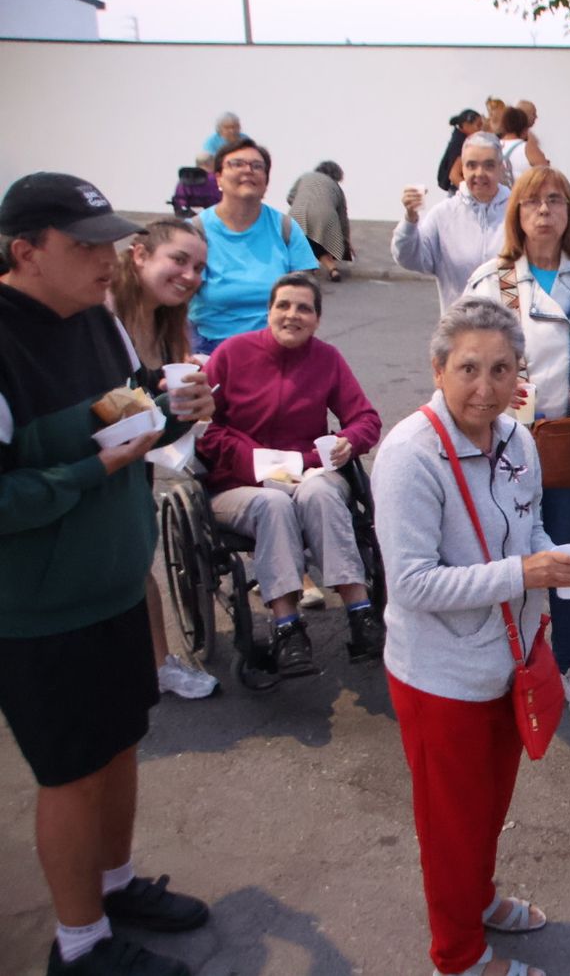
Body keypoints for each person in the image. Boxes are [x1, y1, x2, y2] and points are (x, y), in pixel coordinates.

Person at [0, 172, 215, 976]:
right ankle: (79, 943)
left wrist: (169, 398)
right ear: (27, 252)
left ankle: (116, 885)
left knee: (121, 742)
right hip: (40, 610)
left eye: (110, 239)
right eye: (85, 245)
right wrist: (92, 471)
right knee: (71, 773)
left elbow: (128, 404)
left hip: (116, 586)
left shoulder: (100, 319)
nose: (108, 257)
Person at [374, 297, 570, 976]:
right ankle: (459, 955)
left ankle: (479, 896)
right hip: (439, 677)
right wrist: (523, 572)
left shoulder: (517, 438)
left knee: (488, 805)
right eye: (468, 368)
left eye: (501, 369)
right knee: (450, 826)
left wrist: (556, 557)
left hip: (509, 661)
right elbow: (411, 584)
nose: (485, 387)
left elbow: (527, 529)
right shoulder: (411, 454)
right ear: (438, 368)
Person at [462, 166, 570, 719]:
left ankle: (566, 664)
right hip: (501, 444)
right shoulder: (492, 281)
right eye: (533, 201)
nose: (544, 211)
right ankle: (504, 664)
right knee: (504, 557)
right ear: (517, 212)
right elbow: (459, 363)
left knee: (566, 558)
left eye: (556, 201)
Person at [197, 273, 383, 677]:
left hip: (306, 473)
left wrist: (349, 440)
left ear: (317, 319)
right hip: (239, 483)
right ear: (269, 311)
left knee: (320, 494)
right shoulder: (231, 354)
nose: (292, 315)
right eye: (283, 305)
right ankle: (287, 628)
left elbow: (365, 418)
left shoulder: (327, 359)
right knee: (273, 503)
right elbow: (202, 429)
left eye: (304, 308)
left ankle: (360, 612)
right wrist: (256, 461)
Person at [109, 219, 219, 700]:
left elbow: (151, 423)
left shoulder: (168, 324)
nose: (190, 274)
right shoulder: (102, 315)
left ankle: (158, 666)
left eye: (199, 266)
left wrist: (194, 405)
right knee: (117, 561)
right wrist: (167, 410)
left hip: (136, 463)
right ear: (139, 255)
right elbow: (107, 413)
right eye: (179, 259)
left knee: (136, 555)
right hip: (96, 464)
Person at [188, 139, 319, 355]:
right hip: (210, 348)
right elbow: (174, 306)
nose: (248, 171)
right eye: (237, 164)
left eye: (257, 166)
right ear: (218, 177)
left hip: (276, 347)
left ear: (266, 182)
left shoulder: (285, 228)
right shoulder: (195, 231)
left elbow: (305, 295)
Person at [394, 132, 511, 312]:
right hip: (459, 332)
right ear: (462, 169)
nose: (479, 173)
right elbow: (410, 258)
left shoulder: (518, 212)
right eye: (472, 165)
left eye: (489, 165)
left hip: (508, 331)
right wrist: (410, 220)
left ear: (501, 168)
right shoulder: (443, 214)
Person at [286, 161, 352, 284]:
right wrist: (346, 240)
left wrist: (301, 203)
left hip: (298, 211)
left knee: (303, 240)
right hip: (325, 214)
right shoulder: (336, 187)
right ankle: (332, 269)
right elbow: (343, 216)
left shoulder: (305, 177)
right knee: (319, 243)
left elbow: (290, 197)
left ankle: (307, 269)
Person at [439, 108, 484, 193]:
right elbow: (454, 176)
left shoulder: (460, 140)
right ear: (465, 125)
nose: (481, 129)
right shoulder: (460, 144)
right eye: (478, 125)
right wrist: (472, 194)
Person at [497, 107, 538, 184]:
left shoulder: (493, 146)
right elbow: (546, 174)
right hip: (523, 194)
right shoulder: (527, 148)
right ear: (525, 128)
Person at [513, 100, 551, 169]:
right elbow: (542, 166)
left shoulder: (529, 136)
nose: (536, 117)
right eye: (533, 114)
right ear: (525, 114)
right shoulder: (528, 139)